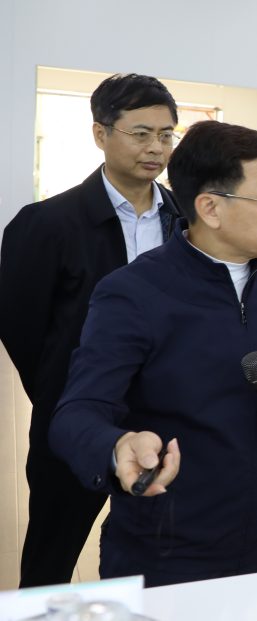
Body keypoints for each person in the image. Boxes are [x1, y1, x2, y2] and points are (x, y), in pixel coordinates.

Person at [48, 120, 257, 587]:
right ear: (210, 208)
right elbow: (77, 412)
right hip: (167, 548)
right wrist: (115, 448)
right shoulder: (134, 292)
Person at [0, 74, 182, 588]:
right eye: (141, 133)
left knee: (157, 559)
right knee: (51, 560)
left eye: (166, 135)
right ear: (101, 134)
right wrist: (63, 394)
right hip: (76, 419)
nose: (156, 148)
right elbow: (21, 326)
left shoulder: (186, 222)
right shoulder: (46, 223)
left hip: (166, 420)